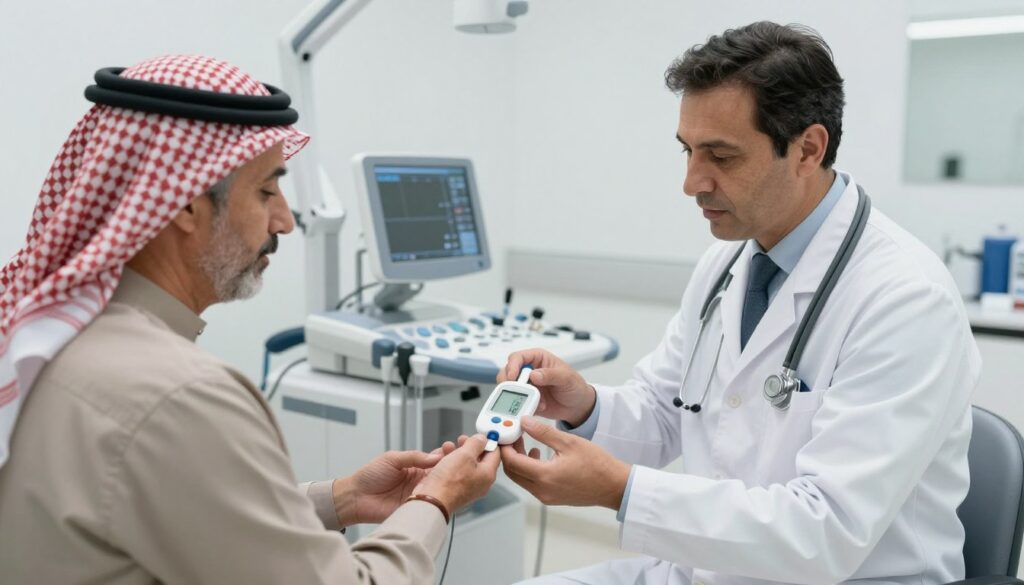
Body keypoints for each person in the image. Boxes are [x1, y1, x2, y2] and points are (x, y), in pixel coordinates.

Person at [499, 22, 980, 585]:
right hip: (711, 569)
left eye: (720, 157)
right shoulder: (727, 265)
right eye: (687, 151)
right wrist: (584, 406)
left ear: (807, 149)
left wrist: (620, 491)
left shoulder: (904, 299)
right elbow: (665, 411)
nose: (691, 182)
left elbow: (825, 532)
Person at [0, 55, 499, 585]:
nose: (284, 219)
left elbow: (180, 517)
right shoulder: (180, 396)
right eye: (267, 190)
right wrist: (435, 500)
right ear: (186, 205)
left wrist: (344, 499)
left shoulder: (41, 339)